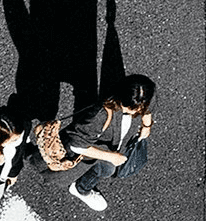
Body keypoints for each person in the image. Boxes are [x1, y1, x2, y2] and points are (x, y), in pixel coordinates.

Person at [37, 75, 155, 210]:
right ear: (123, 101)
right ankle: (81, 189)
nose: (139, 112)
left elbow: (147, 104)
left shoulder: (141, 92)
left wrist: (147, 125)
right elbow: (76, 144)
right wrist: (111, 157)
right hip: (87, 148)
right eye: (136, 110)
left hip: (105, 139)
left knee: (109, 163)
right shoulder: (100, 116)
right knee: (107, 167)